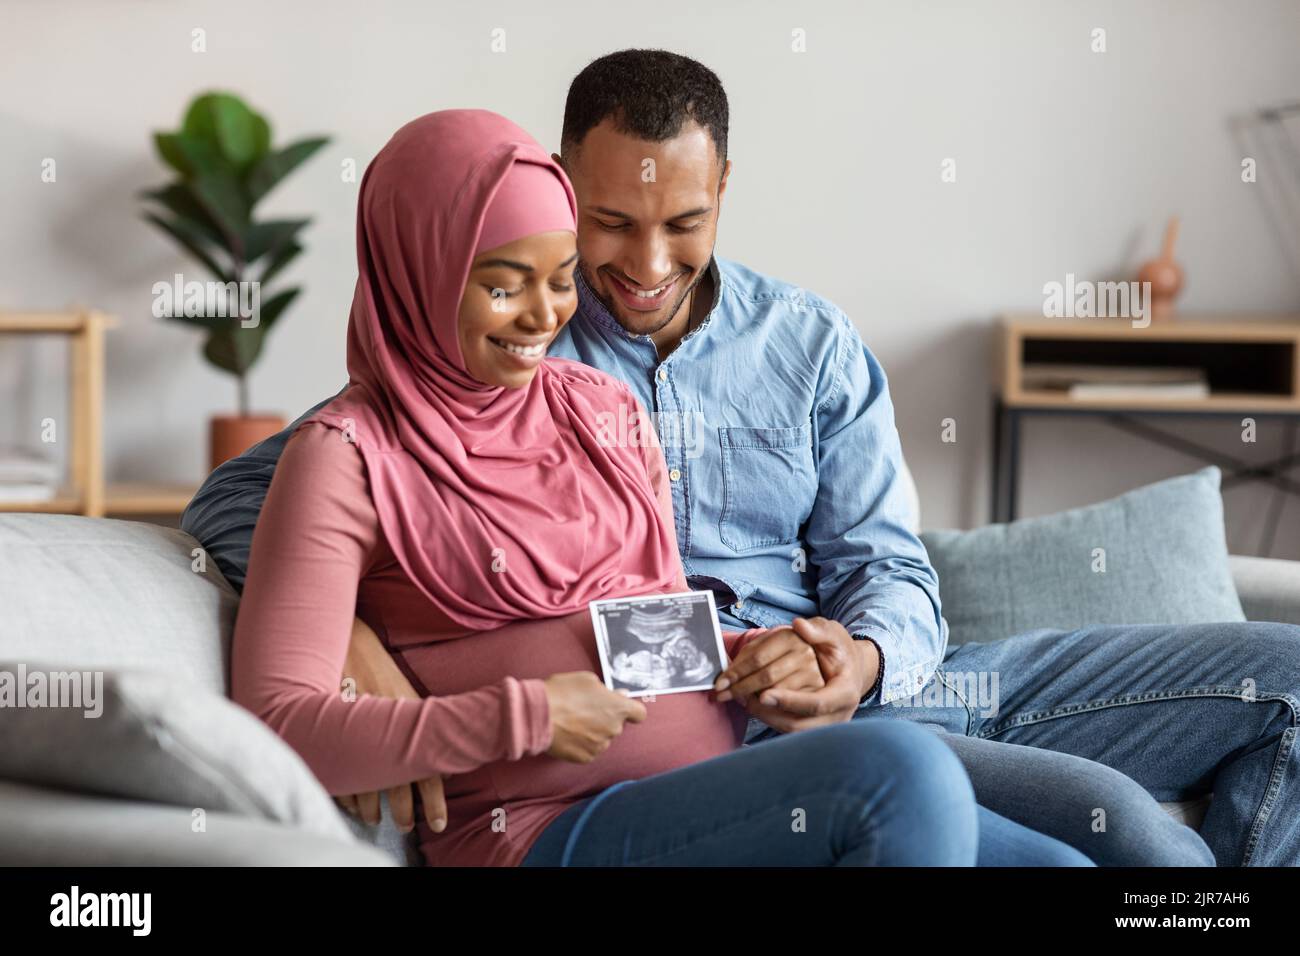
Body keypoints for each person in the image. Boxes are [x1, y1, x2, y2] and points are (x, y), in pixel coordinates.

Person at [195, 51, 1295, 868]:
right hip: (694, 766)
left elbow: (797, 585)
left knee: (1203, 804)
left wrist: (839, 655)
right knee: (1120, 843)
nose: (642, 263)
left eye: (684, 219)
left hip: (856, 688)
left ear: (725, 187)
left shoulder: (775, 349)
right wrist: (354, 631)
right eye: (606, 225)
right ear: (559, 186)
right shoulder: (439, 379)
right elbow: (252, 509)